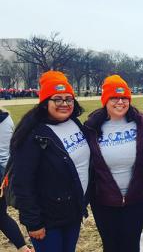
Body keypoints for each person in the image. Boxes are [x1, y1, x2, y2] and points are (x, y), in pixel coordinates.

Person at [10, 71, 92, 252]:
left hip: (73, 212)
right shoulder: (33, 134)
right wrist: (33, 222)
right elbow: (22, 182)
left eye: (69, 99)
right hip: (48, 220)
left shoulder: (74, 123)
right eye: (57, 99)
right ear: (45, 102)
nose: (64, 104)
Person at [85, 75, 143, 252]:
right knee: (111, 246)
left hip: (134, 200)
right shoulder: (91, 127)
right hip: (103, 201)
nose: (120, 102)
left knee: (131, 246)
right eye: (114, 97)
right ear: (105, 100)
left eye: (124, 98)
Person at [0, 110, 32, 252]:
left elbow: (5, 153)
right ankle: (23, 247)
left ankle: (23, 247)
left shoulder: (4, 119)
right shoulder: (5, 118)